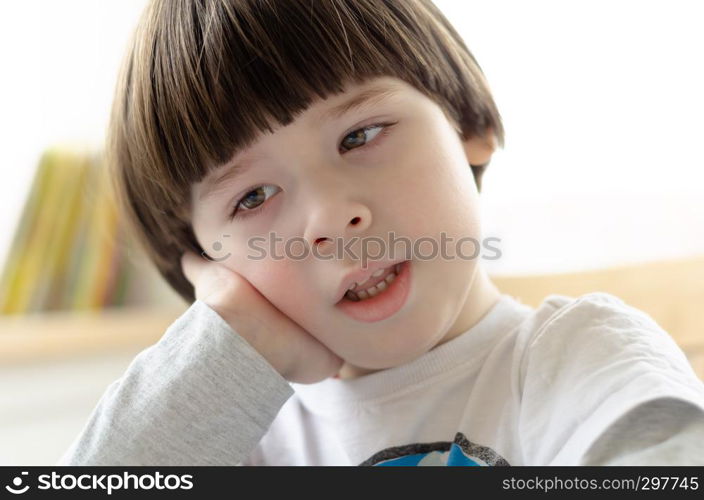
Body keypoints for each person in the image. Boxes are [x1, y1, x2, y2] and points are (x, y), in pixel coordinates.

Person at [59, 0, 704, 465]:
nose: (331, 219)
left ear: (467, 124)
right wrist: (227, 346)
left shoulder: (579, 364)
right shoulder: (232, 438)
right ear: (207, 264)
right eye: (253, 196)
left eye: (359, 135)